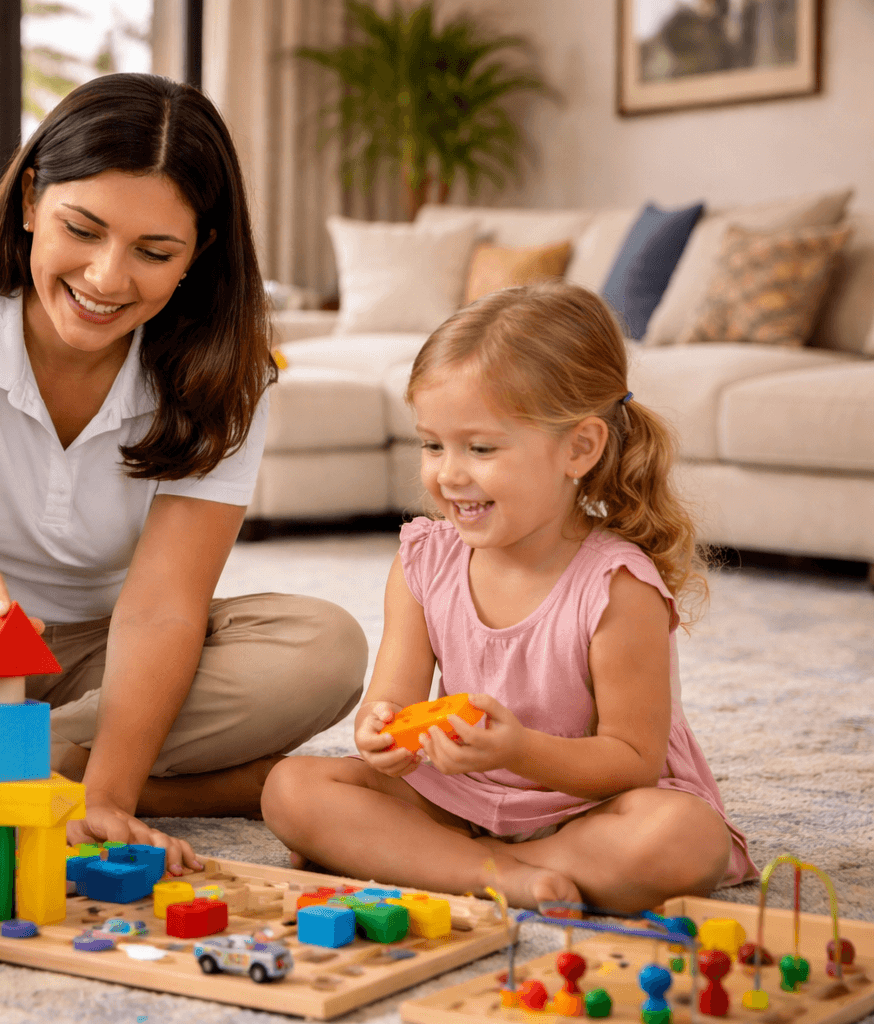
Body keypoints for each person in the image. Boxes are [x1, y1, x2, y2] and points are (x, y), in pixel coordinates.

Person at [0, 73, 367, 870]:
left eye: (153, 252)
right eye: (83, 230)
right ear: (31, 201)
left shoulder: (228, 369)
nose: (106, 278)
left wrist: (111, 796)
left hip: (119, 653)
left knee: (326, 647)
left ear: (198, 253)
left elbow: (163, 609)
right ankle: (146, 782)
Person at [261, 282, 756, 913]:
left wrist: (519, 749)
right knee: (291, 789)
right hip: (458, 796)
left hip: (587, 807)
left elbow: (632, 761)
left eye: (480, 448)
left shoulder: (618, 586)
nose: (448, 473)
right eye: (433, 444)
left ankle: (437, 862)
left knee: (683, 840)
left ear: (579, 448)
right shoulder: (423, 560)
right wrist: (380, 735)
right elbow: (391, 703)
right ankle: (501, 873)